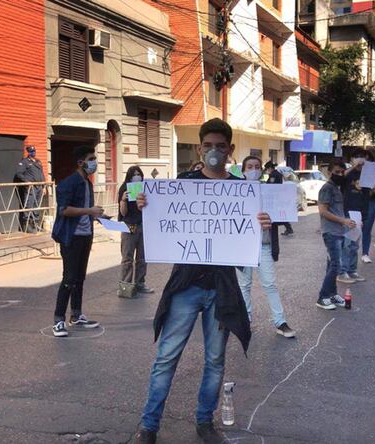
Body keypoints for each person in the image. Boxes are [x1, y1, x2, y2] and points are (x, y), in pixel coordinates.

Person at [133, 118, 272, 444]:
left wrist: (260, 225)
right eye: (207, 146)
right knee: (167, 356)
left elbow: (245, 246)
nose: (213, 151)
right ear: (199, 148)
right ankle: (148, 426)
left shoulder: (243, 192)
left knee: (215, 360)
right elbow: (160, 219)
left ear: (230, 151)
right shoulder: (183, 184)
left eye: (220, 146)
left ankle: (205, 422)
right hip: (186, 285)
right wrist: (146, 206)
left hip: (221, 289)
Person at [237, 156, 295, 338]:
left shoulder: (270, 191)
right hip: (243, 247)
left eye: (256, 166)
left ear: (261, 170)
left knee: (270, 284)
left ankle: (280, 321)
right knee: (243, 285)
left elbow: (281, 214)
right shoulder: (235, 191)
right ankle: (245, 320)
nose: (253, 169)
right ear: (243, 170)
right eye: (249, 166)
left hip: (264, 245)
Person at [50, 145, 104, 337]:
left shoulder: (87, 183)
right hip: (70, 237)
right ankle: (58, 320)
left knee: (80, 277)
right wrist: (89, 211)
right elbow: (63, 210)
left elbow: (85, 211)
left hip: (85, 235)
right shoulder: (68, 183)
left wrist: (97, 216)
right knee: (69, 278)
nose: (94, 163)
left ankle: (76, 314)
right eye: (91, 159)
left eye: (95, 159)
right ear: (81, 163)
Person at [316, 159, 357, 310]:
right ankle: (322, 297)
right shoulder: (327, 188)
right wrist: (343, 221)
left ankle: (332, 294)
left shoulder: (336, 187)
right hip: (331, 231)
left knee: (331, 265)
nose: (340, 174)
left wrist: (349, 222)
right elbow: (323, 211)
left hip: (338, 231)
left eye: (341, 172)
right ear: (329, 172)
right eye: (336, 172)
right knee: (336, 265)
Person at [117, 166, 154, 295]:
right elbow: (123, 213)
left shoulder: (145, 189)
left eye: (139, 174)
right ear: (129, 176)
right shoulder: (124, 188)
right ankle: (125, 286)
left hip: (142, 225)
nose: (137, 176)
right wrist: (123, 200)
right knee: (127, 258)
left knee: (142, 258)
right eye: (134, 174)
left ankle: (140, 283)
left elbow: (148, 209)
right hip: (128, 226)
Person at [338, 149, 369, 284]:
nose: (360, 159)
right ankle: (342, 271)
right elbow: (340, 178)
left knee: (355, 244)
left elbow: (367, 194)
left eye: (363, 157)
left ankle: (352, 270)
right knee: (347, 243)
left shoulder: (367, 174)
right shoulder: (348, 172)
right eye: (357, 157)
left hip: (359, 212)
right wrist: (354, 167)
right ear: (351, 159)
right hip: (347, 211)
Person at [13, 145, 45, 233]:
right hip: (31, 188)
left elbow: (41, 174)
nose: (33, 153)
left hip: (39, 187)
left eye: (34, 151)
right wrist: (27, 181)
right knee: (28, 205)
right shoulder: (24, 162)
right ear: (28, 152)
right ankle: (27, 226)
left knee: (37, 206)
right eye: (31, 152)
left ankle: (36, 224)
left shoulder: (38, 162)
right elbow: (18, 174)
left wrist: (44, 186)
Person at [360, 151, 375, 264]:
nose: (365, 162)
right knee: (352, 229)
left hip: (371, 202)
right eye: (363, 159)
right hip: (355, 202)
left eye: (368, 160)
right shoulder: (355, 172)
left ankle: (365, 253)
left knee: (367, 229)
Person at [264, 162, 294, 235]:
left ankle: (288, 228)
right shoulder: (278, 173)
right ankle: (288, 228)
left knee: (277, 214)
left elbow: (271, 185)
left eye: (267, 169)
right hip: (277, 196)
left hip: (274, 197)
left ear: (270, 168)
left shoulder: (273, 175)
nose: (266, 171)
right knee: (279, 214)